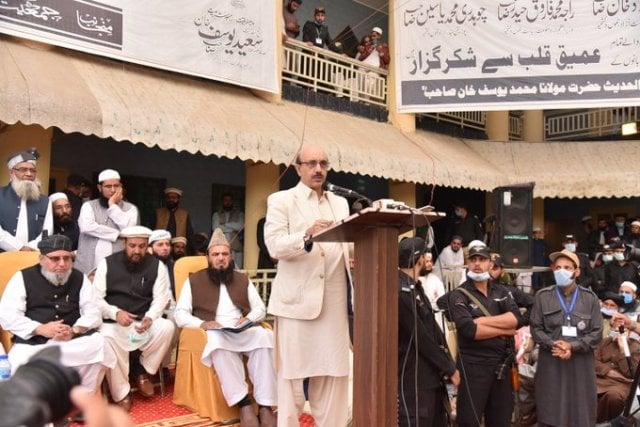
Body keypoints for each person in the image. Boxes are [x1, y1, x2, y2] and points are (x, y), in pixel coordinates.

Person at [264, 144, 352, 426]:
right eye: (311, 163)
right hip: (297, 304)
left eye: (323, 163)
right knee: (291, 379)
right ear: (298, 168)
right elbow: (275, 247)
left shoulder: (340, 203)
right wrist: (307, 234)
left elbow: (347, 245)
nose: (318, 169)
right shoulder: (281, 200)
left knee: (334, 376)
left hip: (334, 303)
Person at [174, 228, 277, 427]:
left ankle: (265, 406)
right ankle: (244, 404)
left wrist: (248, 319)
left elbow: (260, 308)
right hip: (215, 331)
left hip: (241, 328)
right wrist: (202, 324)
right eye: (216, 254)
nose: (220, 258)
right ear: (208, 257)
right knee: (217, 342)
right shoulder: (193, 281)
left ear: (230, 257)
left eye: (225, 254)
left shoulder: (241, 279)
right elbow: (180, 315)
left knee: (265, 337)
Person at [0, 234, 115, 391]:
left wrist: (74, 330)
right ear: (41, 259)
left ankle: (82, 398)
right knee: (19, 361)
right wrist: (41, 329)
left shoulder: (79, 277)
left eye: (67, 258)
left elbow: (93, 312)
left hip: (72, 340)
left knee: (100, 346)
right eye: (55, 259)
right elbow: (7, 315)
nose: (62, 264)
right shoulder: (22, 278)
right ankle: (40, 407)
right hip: (36, 342)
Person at [93, 226, 174, 410]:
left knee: (167, 327)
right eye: (132, 246)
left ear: (147, 246)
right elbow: (96, 298)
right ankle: (121, 392)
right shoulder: (107, 263)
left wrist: (151, 317)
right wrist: (115, 313)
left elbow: (161, 298)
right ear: (124, 244)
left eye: (142, 246)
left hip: (142, 323)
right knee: (106, 337)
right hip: (115, 324)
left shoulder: (157, 265)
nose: (137, 250)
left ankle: (143, 372)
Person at [442, 245, 522, 427]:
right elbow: (470, 330)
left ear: (490, 263)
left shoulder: (501, 292)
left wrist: (481, 321)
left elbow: (516, 319)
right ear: (467, 263)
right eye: (473, 259)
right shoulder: (458, 295)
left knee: (501, 421)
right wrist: (504, 330)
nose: (477, 264)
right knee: (469, 421)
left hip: (501, 367)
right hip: (473, 369)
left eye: (482, 259)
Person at [530, 249, 603, 426]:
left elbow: (597, 332)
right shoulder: (542, 296)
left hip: (580, 364)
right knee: (550, 410)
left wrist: (573, 347)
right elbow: (535, 328)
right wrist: (554, 344)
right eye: (558, 267)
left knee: (580, 412)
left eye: (567, 267)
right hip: (551, 361)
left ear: (577, 271)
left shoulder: (590, 298)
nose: (562, 271)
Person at [397, 237, 459, 426]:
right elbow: (421, 337)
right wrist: (448, 367)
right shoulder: (401, 291)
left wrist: (449, 363)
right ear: (419, 259)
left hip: (432, 377)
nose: (428, 260)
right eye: (425, 255)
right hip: (415, 380)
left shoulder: (415, 287)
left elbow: (434, 328)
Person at [76, 169, 139, 274]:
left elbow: (128, 230)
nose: (113, 190)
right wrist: (117, 234)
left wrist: (112, 205)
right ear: (100, 188)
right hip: (88, 265)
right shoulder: (88, 206)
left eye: (116, 186)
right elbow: (86, 227)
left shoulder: (130, 209)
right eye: (108, 186)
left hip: (117, 267)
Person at [0, 149, 53, 252]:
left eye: (32, 170)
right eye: (23, 169)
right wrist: (19, 247)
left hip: (32, 257)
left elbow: (47, 232)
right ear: (11, 172)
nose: (29, 174)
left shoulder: (45, 201)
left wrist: (31, 248)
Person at [594, 316, 640, 424]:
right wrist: (608, 371)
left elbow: (631, 374)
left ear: (628, 332)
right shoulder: (604, 342)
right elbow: (593, 362)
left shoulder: (636, 347)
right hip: (598, 378)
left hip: (620, 384)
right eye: (614, 329)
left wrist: (623, 349)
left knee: (614, 397)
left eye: (620, 330)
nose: (616, 332)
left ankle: (600, 422)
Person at [154, 187, 195, 254]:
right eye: (169, 197)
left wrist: (195, 251)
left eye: (174, 198)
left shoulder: (184, 214)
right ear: (166, 199)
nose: (171, 200)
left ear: (178, 199)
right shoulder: (158, 213)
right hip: (161, 247)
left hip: (178, 250)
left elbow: (189, 234)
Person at [212, 193, 245, 268]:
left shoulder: (240, 214)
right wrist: (232, 229)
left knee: (238, 271)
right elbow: (216, 228)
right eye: (226, 200)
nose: (228, 202)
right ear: (222, 202)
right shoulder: (216, 214)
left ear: (232, 202)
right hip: (221, 249)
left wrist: (225, 224)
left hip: (237, 249)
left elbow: (240, 226)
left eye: (229, 200)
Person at [148, 229, 176, 297]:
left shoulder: (175, 267)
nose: (165, 248)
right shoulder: (144, 268)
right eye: (160, 245)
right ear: (150, 249)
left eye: (167, 244)